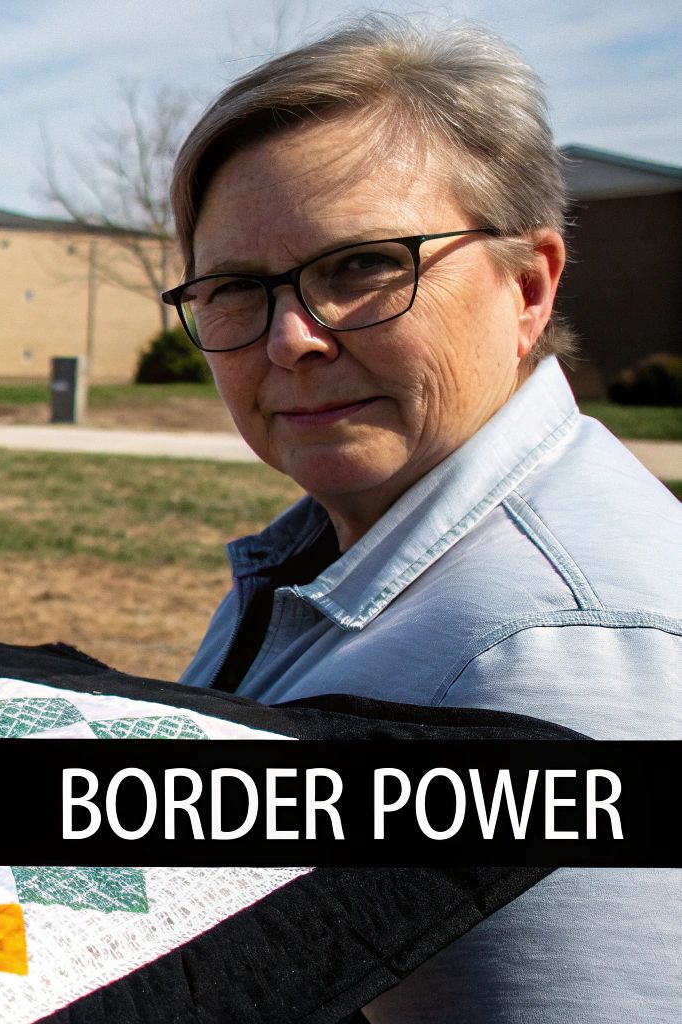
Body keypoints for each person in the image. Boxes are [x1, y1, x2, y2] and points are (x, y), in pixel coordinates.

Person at [162, 17, 682, 1023]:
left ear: (526, 286)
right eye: (233, 289)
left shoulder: (553, 657)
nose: (290, 338)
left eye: (359, 266)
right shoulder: (338, 543)